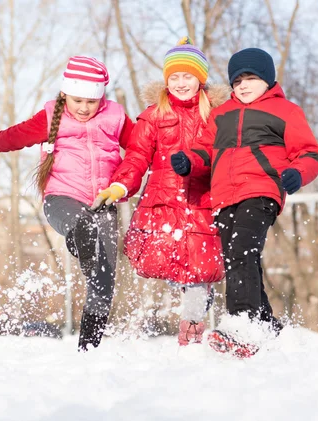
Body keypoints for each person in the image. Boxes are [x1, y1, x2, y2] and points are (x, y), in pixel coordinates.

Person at [0, 56, 134, 352]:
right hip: (62, 199)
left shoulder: (116, 117)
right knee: (82, 225)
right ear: (64, 94)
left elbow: (140, 148)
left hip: (102, 203)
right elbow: (16, 135)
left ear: (102, 99)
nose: (84, 108)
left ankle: (89, 349)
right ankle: (81, 240)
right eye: (78, 100)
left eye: (91, 102)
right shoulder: (50, 117)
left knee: (104, 281)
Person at [171, 48, 318, 357]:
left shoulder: (286, 111)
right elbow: (205, 150)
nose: (243, 85)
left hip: (261, 190)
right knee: (238, 259)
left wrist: (296, 173)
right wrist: (188, 160)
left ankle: (241, 322)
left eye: (251, 78)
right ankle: (268, 325)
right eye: (237, 80)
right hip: (225, 196)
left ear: (267, 80)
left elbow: (310, 153)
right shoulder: (221, 114)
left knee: (242, 250)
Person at [91, 37, 229, 346]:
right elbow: (137, 155)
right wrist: (119, 184)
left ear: (200, 79)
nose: (181, 83)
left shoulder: (216, 116)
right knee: (163, 264)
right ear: (167, 80)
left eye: (188, 76)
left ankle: (192, 329)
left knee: (197, 273)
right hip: (162, 203)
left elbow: (221, 155)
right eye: (175, 77)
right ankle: (170, 306)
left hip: (200, 203)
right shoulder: (153, 115)